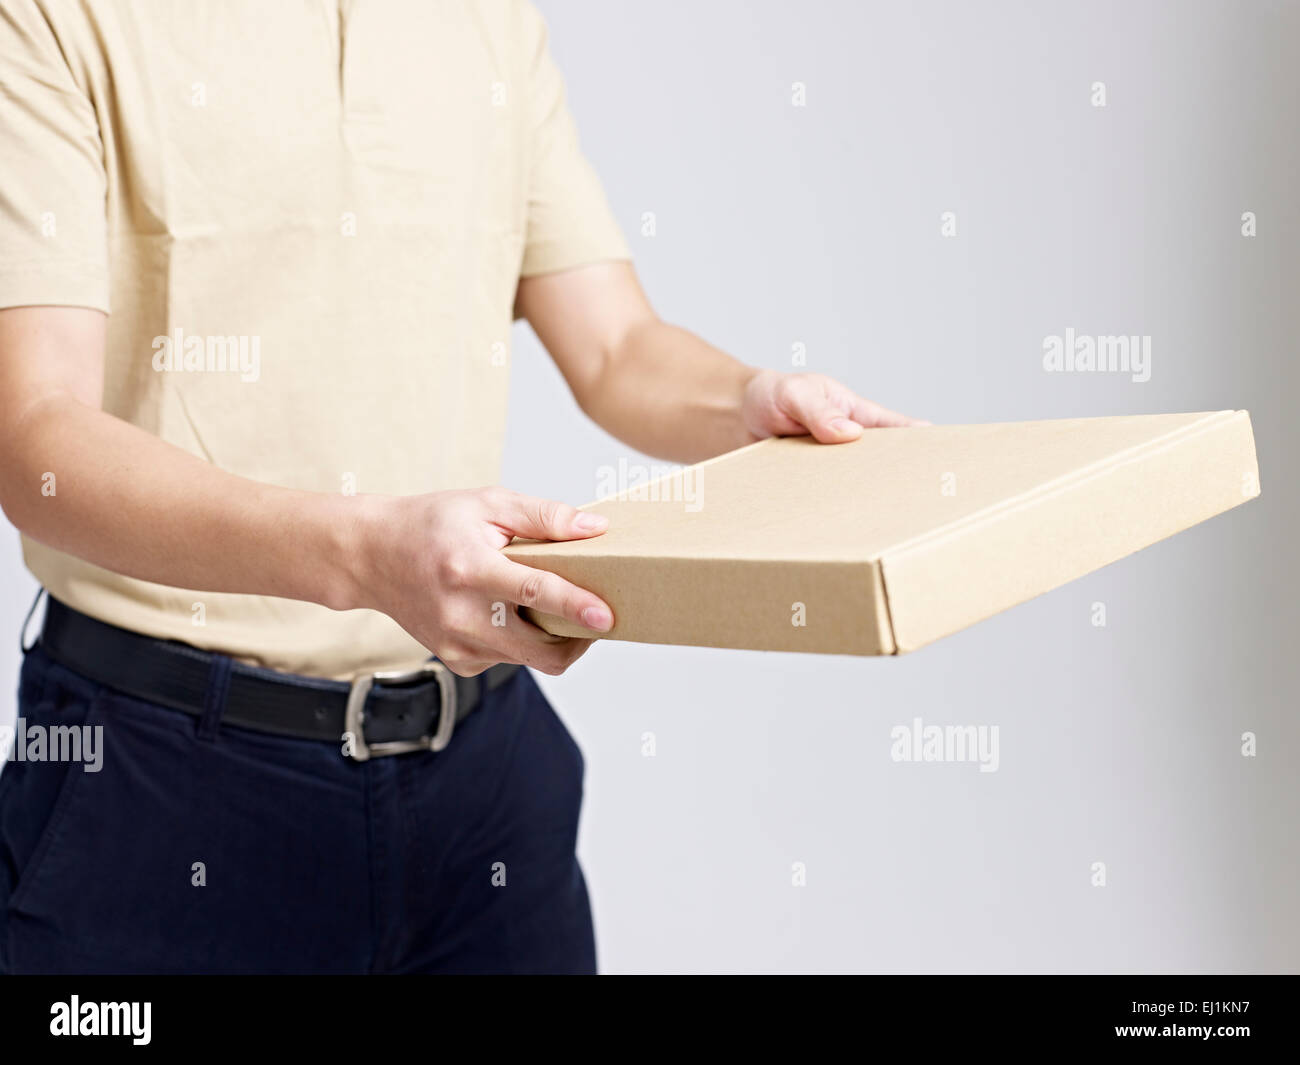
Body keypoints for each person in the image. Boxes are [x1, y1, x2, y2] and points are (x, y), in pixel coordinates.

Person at [0, 0, 922, 974]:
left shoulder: (487, 18)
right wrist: (364, 555)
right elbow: (34, 439)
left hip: (481, 780)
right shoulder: (52, 16)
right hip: (158, 786)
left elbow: (616, 347)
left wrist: (750, 399)